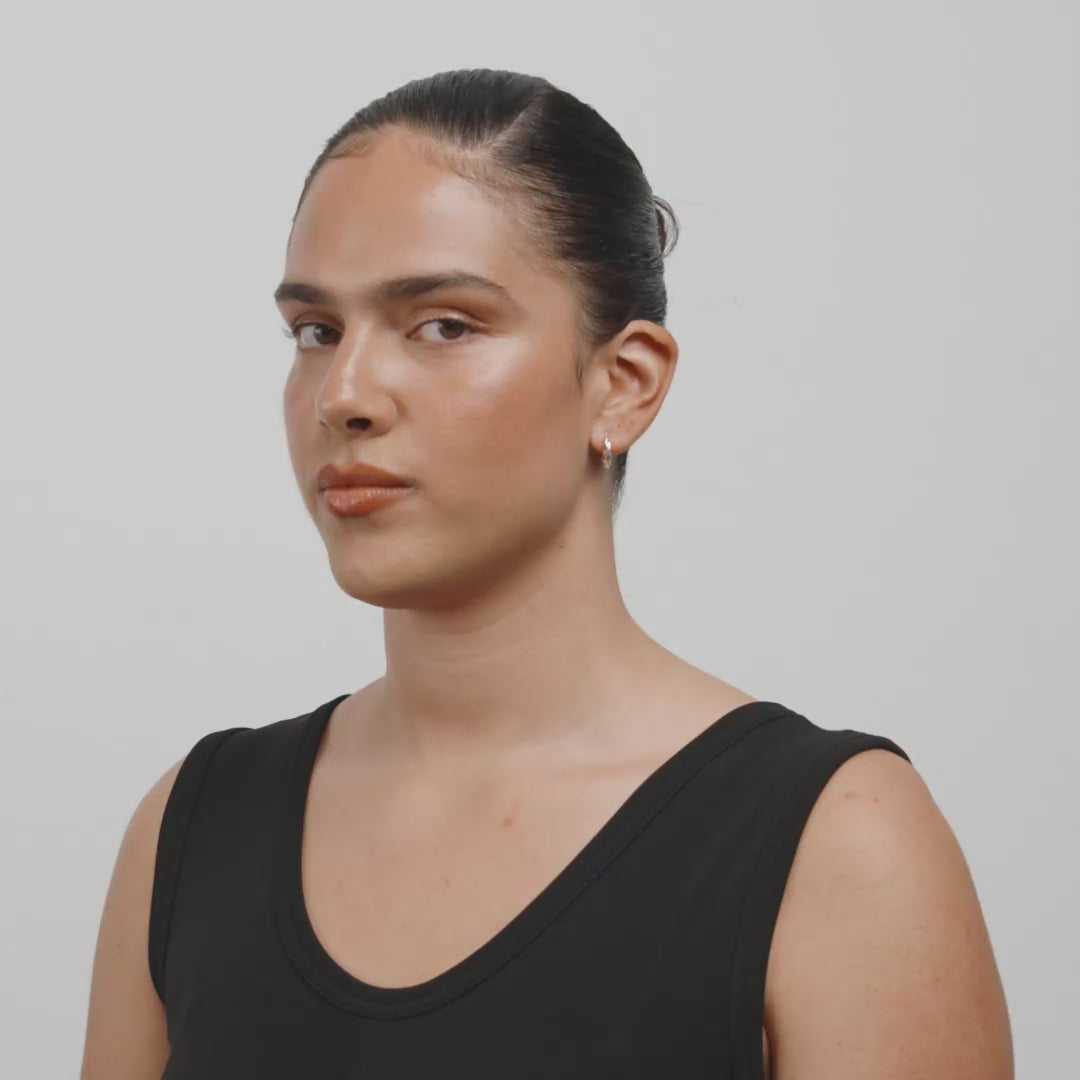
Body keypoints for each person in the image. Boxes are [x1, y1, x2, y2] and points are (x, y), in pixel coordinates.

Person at [80, 68, 1013, 1079]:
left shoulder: (837, 846)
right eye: (317, 330)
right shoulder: (192, 832)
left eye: (444, 324)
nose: (343, 394)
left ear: (623, 384)